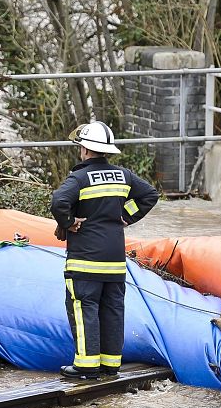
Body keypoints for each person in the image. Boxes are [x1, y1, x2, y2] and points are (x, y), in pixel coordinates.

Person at [50, 121, 158, 380]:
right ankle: (111, 364)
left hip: (85, 262)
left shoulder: (79, 177)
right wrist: (125, 215)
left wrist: (69, 222)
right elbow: (150, 195)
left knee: (84, 307)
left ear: (85, 150)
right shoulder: (123, 176)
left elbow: (58, 201)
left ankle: (86, 366)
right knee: (112, 309)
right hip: (115, 262)